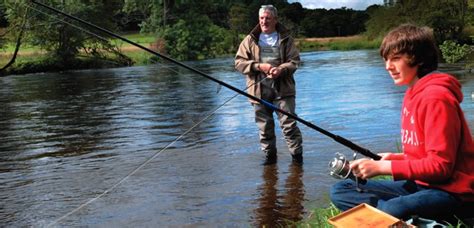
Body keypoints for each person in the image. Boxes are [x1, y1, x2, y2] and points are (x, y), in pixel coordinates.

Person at [330, 24, 474, 221]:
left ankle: (393, 216)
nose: (388, 66)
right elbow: (422, 154)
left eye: (396, 59)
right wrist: (394, 158)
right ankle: (398, 218)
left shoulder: (436, 99)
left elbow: (441, 167)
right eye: (386, 59)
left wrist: (383, 168)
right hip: (421, 185)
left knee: (395, 207)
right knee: (342, 189)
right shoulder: (411, 94)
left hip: (454, 193)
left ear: (419, 59)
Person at [235, 5, 303, 165]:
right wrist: (259, 66)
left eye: (267, 18)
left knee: (289, 126)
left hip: (283, 91)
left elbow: (294, 62)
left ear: (275, 20)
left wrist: (281, 69)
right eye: (261, 18)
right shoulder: (250, 40)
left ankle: (297, 160)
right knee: (265, 130)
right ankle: (270, 162)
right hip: (258, 93)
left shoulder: (285, 38)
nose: (264, 21)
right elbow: (238, 63)